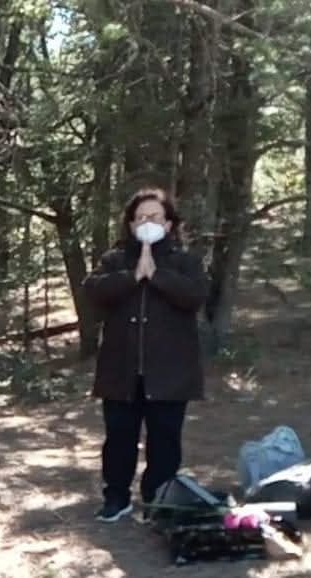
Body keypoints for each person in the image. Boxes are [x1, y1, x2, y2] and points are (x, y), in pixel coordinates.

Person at [82, 188, 208, 523]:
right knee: (119, 438)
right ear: (130, 224)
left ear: (168, 224)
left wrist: (157, 276)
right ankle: (116, 497)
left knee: (165, 439)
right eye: (140, 218)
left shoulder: (185, 262)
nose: (146, 223)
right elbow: (93, 291)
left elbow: (195, 296)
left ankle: (157, 498)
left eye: (154, 217)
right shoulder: (114, 260)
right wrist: (133, 276)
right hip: (120, 370)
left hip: (170, 372)